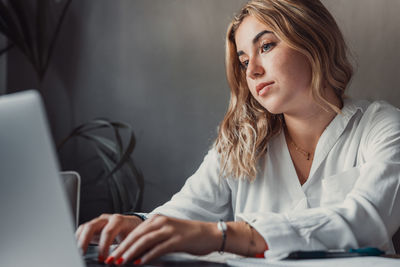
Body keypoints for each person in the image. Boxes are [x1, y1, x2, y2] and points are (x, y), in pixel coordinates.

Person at [76, 0, 400, 265]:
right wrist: (137, 224)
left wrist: (224, 235)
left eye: (267, 46)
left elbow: (366, 219)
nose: (254, 70)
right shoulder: (241, 139)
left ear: (314, 41)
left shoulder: (383, 127)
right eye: (244, 61)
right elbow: (184, 213)